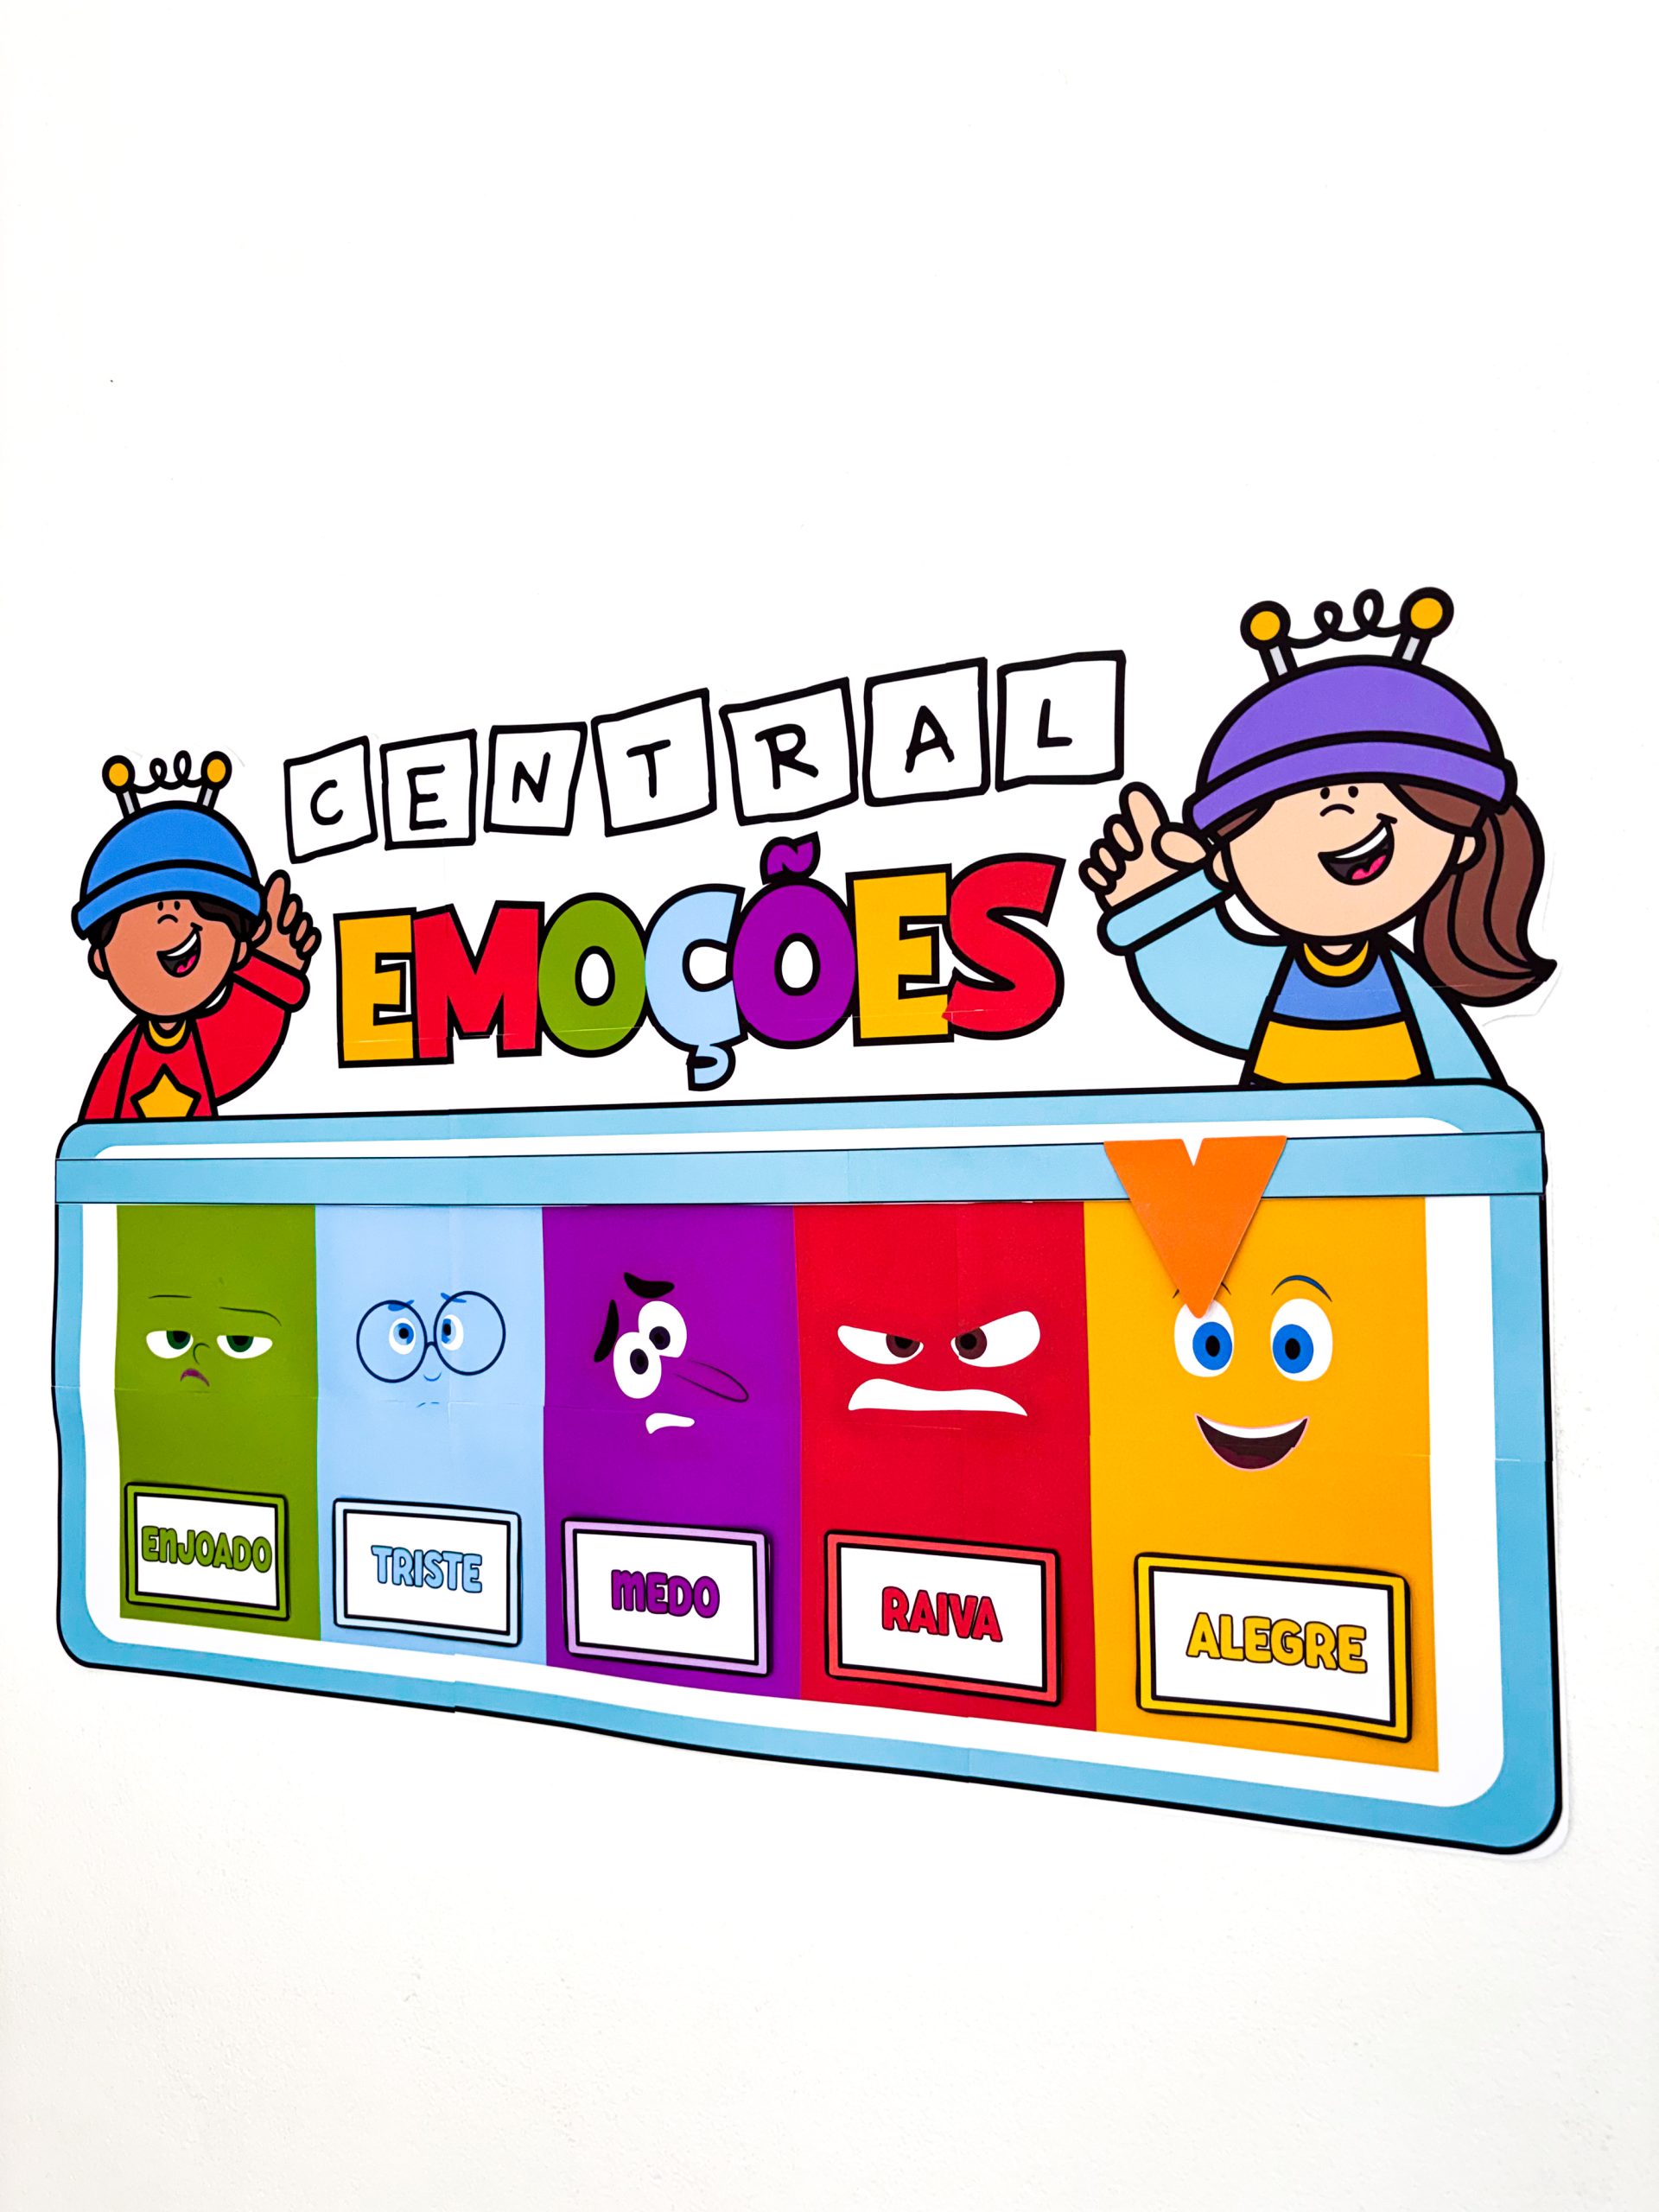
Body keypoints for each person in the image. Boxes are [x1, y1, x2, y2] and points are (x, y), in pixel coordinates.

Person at [1082, 592, 1552, 1086]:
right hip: (1281, 1139)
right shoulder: (1277, 983)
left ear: (1462, 843)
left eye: (1363, 791)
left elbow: (1476, 1106)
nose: (1338, 809)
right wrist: (1162, 900)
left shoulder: (1407, 992)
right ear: (1227, 862)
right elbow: (1197, 993)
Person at [72, 753, 320, 1119]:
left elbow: (243, 1047)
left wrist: (271, 968)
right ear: (101, 958)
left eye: (196, 906)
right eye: (147, 906)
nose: (170, 916)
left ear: (239, 948)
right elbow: (92, 1137)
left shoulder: (199, 1046)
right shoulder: (127, 1059)